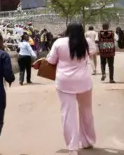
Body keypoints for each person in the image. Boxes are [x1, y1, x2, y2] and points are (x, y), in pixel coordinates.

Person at [46, 23, 96, 155]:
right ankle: (87, 141)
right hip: (84, 82)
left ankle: (72, 147)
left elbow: (51, 61)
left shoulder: (59, 42)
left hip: (64, 82)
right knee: (86, 111)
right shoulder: (87, 42)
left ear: (67, 30)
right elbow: (93, 53)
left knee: (68, 114)